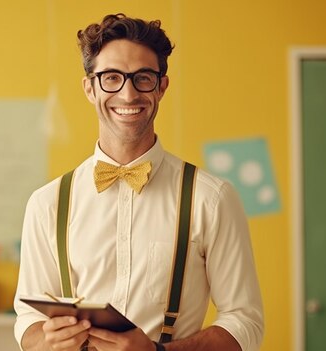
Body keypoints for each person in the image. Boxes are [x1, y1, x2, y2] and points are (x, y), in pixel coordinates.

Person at [14, 13, 263, 351]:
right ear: (90, 87)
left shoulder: (212, 198)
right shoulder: (47, 203)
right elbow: (28, 320)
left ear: (162, 86)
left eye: (143, 78)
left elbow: (245, 320)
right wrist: (46, 340)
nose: (128, 95)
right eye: (111, 77)